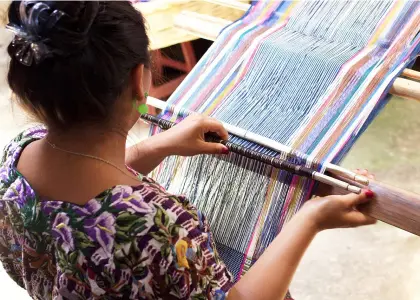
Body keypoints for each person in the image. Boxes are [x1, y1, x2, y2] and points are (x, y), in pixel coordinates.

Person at [0, 1, 376, 299]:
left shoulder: (16, 156)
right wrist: (308, 219)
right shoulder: (152, 225)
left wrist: (159, 145)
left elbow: (83, 201)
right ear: (138, 80)